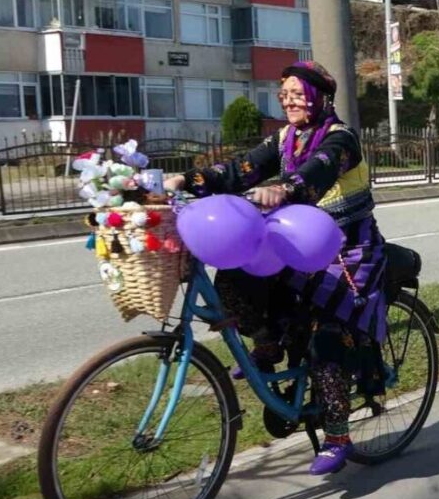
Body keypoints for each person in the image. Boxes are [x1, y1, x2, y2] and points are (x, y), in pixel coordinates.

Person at [164, 61, 386, 476]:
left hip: (348, 250)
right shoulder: (284, 137)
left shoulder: (342, 139)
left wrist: (285, 188)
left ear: (319, 98)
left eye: (298, 95)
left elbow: (318, 168)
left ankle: (338, 434)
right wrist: (188, 180)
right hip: (295, 242)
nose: (290, 103)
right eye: (284, 95)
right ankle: (268, 344)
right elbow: (237, 171)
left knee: (328, 333)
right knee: (235, 275)